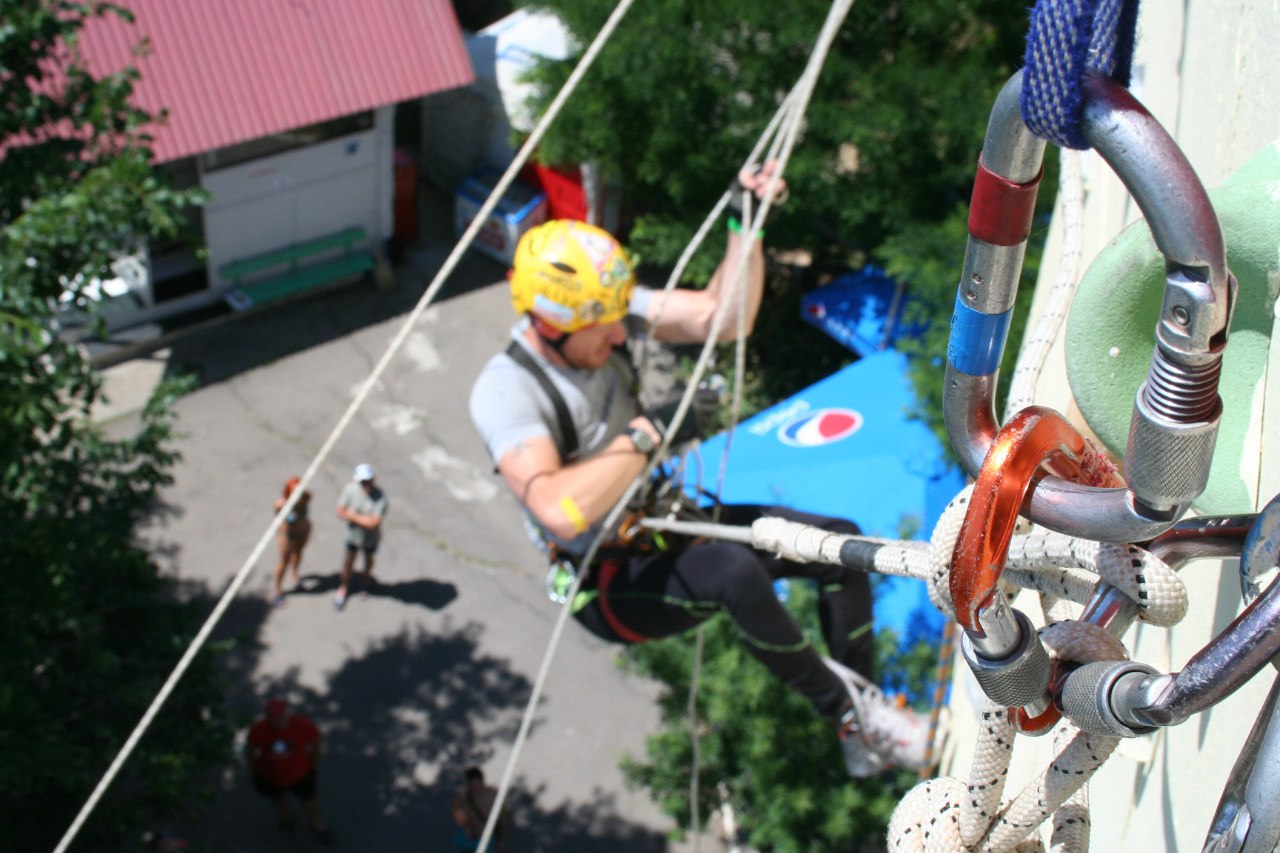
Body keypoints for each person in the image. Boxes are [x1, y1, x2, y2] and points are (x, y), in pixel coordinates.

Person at [468, 164, 932, 777]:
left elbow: (724, 318)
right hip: (604, 577)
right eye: (599, 328)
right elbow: (557, 508)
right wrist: (648, 434)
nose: (616, 334)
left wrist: (746, 223)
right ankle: (850, 716)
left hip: (658, 519)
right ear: (550, 326)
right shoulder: (506, 394)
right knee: (734, 571)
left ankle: (867, 713)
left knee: (835, 541)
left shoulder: (599, 308)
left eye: (615, 317)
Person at [246, 698, 334, 845]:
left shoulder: (302, 724)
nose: (278, 722)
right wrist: (255, 770)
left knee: (309, 802)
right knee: (280, 801)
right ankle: (288, 821)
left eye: (281, 718)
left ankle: (317, 825)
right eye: (274, 719)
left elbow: (316, 744)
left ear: (286, 715)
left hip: (301, 775)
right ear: (268, 719)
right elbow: (250, 752)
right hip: (271, 777)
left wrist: (314, 765)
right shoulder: (258, 730)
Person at [335, 463, 388, 610]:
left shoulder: (380, 498)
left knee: (368, 561)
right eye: (363, 482)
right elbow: (340, 510)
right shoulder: (350, 490)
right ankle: (343, 588)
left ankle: (364, 583)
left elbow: (373, 523)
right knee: (348, 563)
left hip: (370, 538)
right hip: (352, 536)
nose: (367, 484)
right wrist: (363, 519)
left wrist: (352, 515)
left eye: (369, 480)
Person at [271, 476, 312, 606]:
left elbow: (308, 497)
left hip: (303, 531)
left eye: (299, 490)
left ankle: (294, 575)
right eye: (293, 491)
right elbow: (278, 517)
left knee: (299, 553)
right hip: (287, 535)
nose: (297, 494)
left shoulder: (305, 497)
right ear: (288, 492)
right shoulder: (281, 504)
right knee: (284, 561)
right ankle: (278, 589)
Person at [451, 766, 508, 853]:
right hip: (469, 837)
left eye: (477, 785)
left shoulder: (492, 796)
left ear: (482, 782)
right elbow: (456, 810)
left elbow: (502, 819)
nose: (475, 789)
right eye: (472, 785)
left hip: (486, 839)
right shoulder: (465, 796)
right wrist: (466, 827)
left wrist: (501, 839)